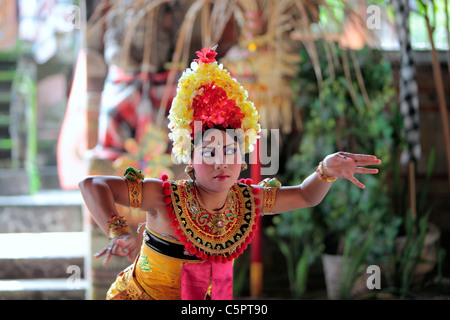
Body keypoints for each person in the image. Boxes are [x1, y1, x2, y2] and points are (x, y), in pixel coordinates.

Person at [78, 46, 381, 300]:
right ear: (190, 159)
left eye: (230, 151)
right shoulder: (165, 197)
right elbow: (92, 184)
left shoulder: (246, 202)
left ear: (242, 158)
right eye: (209, 153)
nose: (221, 162)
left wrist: (326, 170)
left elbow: (305, 194)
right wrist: (117, 230)